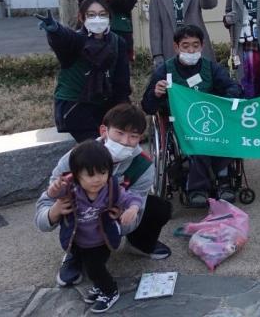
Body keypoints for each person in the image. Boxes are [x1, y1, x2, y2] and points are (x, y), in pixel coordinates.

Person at [35, 104, 173, 292]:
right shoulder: (76, 157)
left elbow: (137, 208)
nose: (125, 141)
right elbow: (46, 203)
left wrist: (119, 220)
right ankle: (75, 253)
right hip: (81, 218)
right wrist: (53, 213)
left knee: (159, 207)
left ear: (141, 138)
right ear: (104, 130)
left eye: (133, 136)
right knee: (80, 219)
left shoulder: (143, 165)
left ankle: (139, 243)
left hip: (111, 219)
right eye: (119, 133)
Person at [141, 24, 243, 208]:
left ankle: (224, 180)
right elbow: (147, 107)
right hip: (180, 122)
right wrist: (156, 93)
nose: (191, 50)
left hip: (210, 117)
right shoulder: (165, 70)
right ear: (176, 47)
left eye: (195, 45)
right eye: (186, 46)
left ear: (202, 46)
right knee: (197, 139)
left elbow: (233, 87)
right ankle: (197, 187)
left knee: (225, 134)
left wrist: (223, 102)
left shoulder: (210, 68)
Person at [36, 140, 142, 313]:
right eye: (90, 175)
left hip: (102, 241)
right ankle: (100, 287)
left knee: (94, 268)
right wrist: (53, 190)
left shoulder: (111, 189)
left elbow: (132, 198)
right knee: (88, 265)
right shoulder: (71, 189)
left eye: (103, 172)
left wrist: (133, 209)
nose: (98, 179)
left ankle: (110, 290)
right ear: (77, 175)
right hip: (77, 240)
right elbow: (53, 193)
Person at [37, 0, 131, 142]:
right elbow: (65, 38)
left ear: (109, 17)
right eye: (91, 15)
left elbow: (122, 84)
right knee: (96, 149)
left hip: (105, 107)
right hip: (75, 107)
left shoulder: (117, 42)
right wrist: (55, 30)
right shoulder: (76, 40)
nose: (97, 19)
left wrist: (124, 113)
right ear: (81, 17)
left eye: (102, 14)